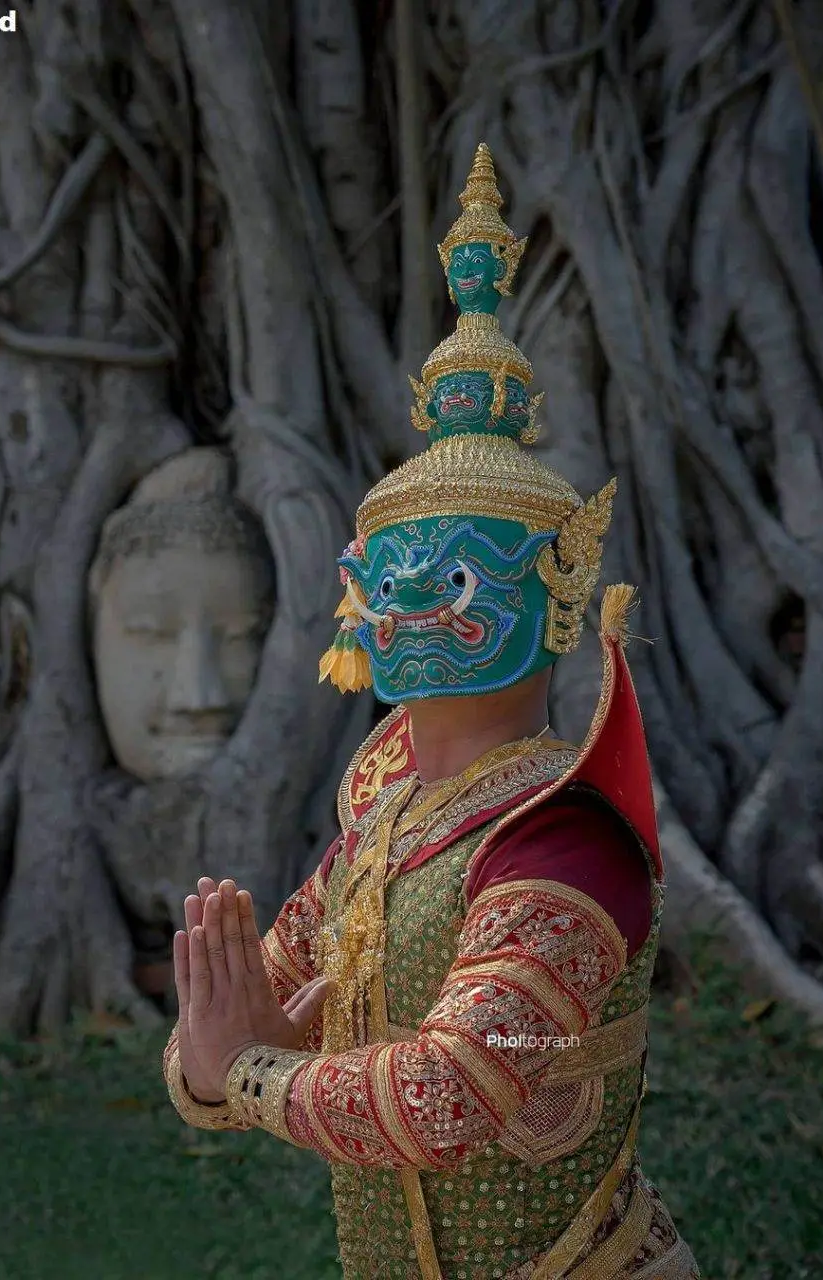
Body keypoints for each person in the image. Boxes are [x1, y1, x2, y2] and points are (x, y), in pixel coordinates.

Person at [162, 143, 700, 1279]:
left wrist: (246, 1070)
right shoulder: (385, 795)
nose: (408, 603)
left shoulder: (564, 834)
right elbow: (262, 989)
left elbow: (452, 1088)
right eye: (390, 577)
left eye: (454, 577)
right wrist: (223, 1045)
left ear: (560, 591)